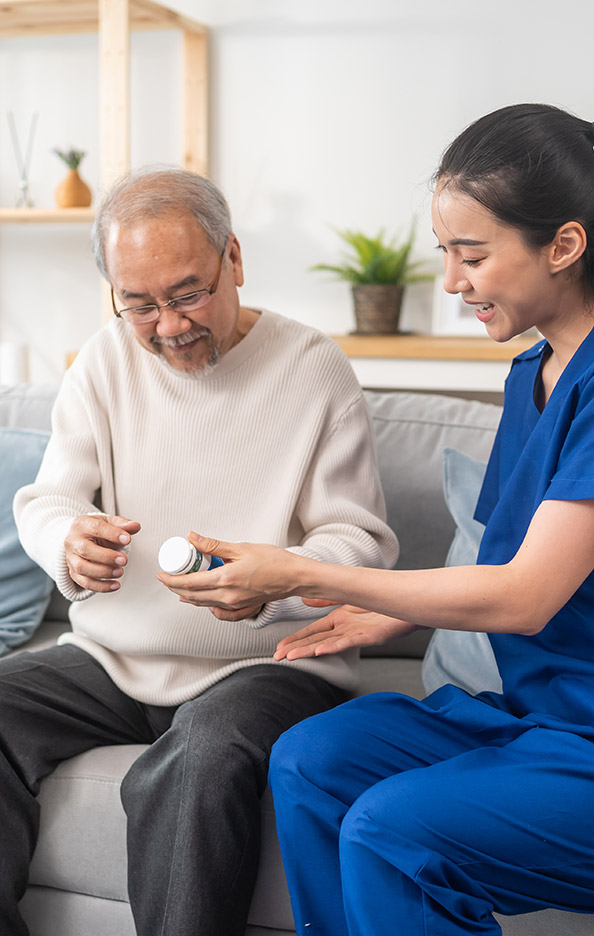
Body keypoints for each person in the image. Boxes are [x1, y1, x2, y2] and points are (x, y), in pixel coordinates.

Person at [159, 105, 594, 935]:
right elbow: (508, 557)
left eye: (473, 255)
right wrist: (381, 611)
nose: (454, 281)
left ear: (563, 246)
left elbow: (525, 596)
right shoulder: (533, 374)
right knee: (312, 759)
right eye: (447, 255)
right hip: (560, 729)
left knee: (392, 830)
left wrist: (302, 569)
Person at [4, 166, 398, 936]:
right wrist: (67, 540)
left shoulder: (312, 367)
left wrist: (274, 586)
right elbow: (49, 499)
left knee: (201, 759)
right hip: (113, 659)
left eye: (188, 294)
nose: (170, 325)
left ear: (235, 261)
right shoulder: (105, 362)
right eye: (140, 304)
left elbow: (360, 544)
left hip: (270, 664)